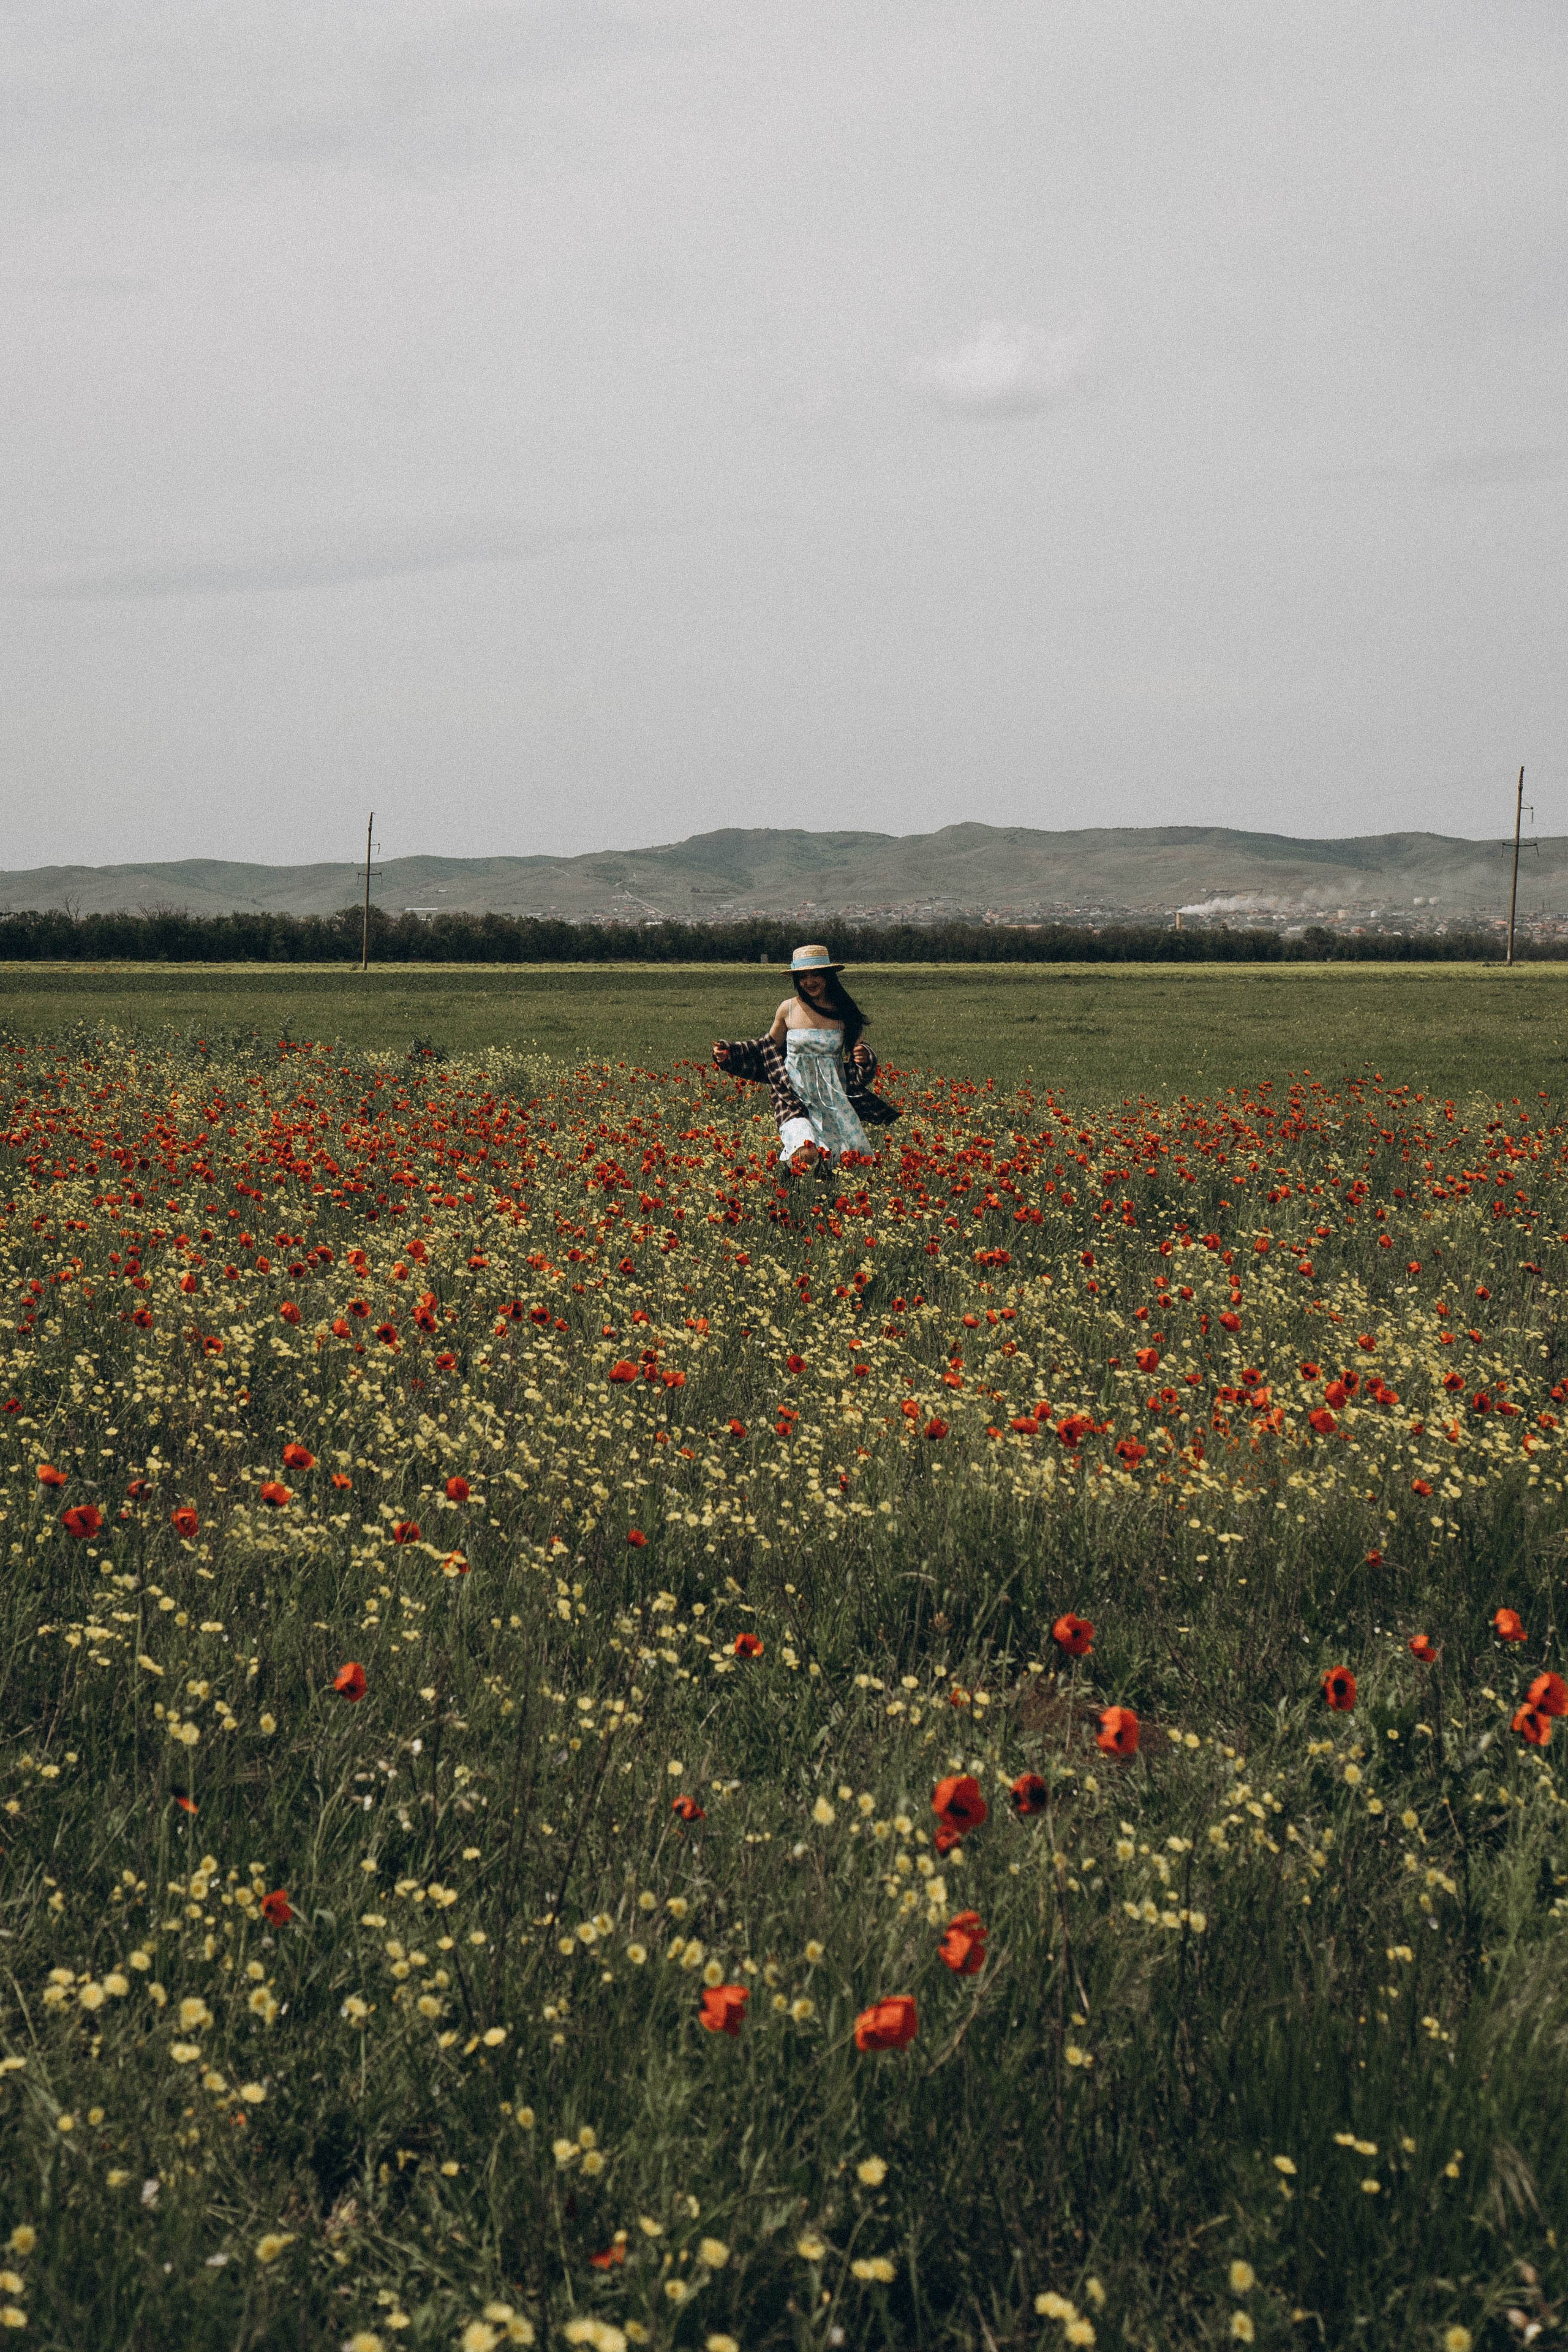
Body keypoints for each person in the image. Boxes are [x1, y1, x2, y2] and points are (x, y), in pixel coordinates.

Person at [710, 944, 898, 1172]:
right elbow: (766, 1046)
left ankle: (814, 1197)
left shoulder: (844, 1012)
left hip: (831, 1097)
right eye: (803, 976)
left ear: (828, 976)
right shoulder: (788, 1009)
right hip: (792, 1095)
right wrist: (730, 1051)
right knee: (806, 1151)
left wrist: (865, 1056)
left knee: (843, 1159)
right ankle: (788, 1189)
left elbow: (861, 1058)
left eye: (816, 974)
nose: (810, 982)